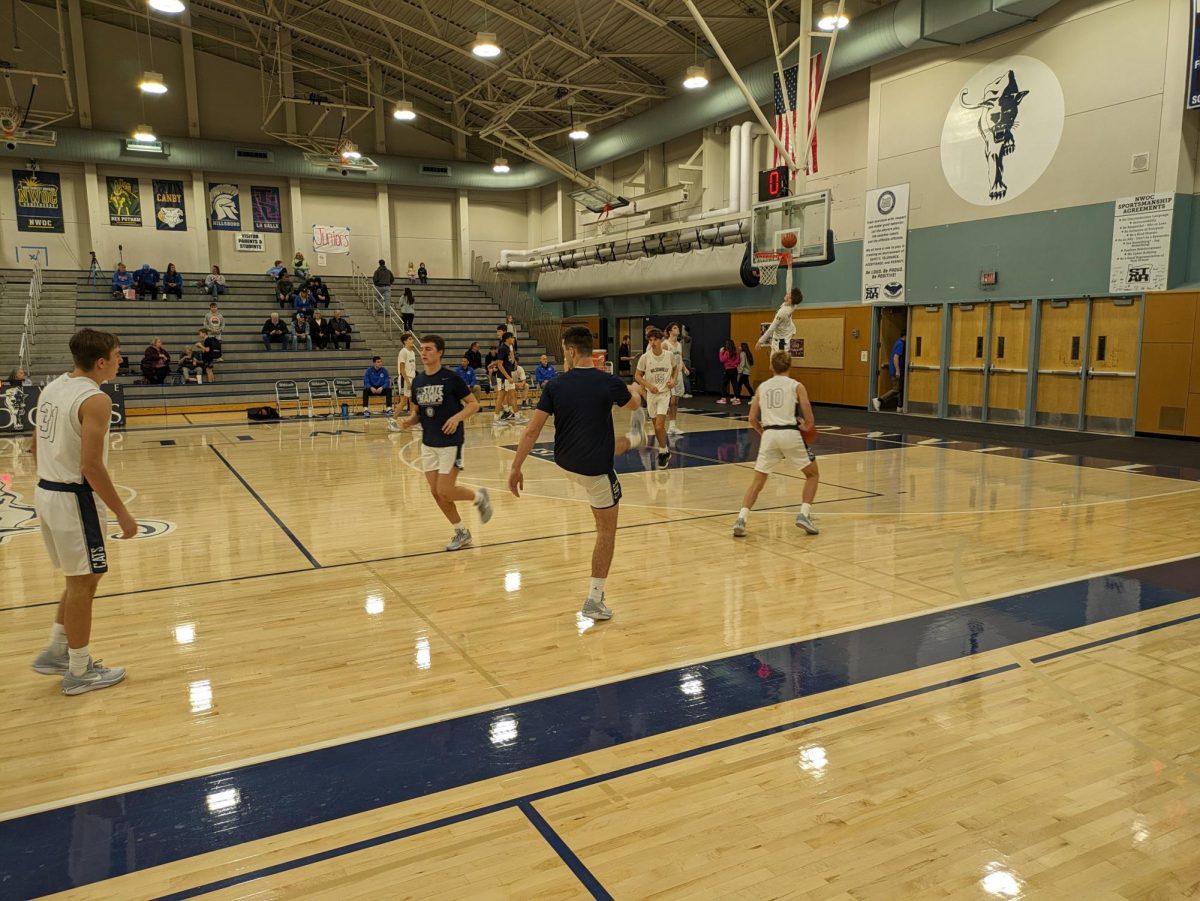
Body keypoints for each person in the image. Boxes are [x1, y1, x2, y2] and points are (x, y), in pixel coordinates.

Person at [508, 325, 645, 622]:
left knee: (610, 443)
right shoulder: (609, 382)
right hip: (595, 471)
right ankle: (594, 600)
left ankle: (631, 441)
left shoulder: (554, 385)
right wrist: (633, 389)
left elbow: (532, 431)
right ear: (590, 352)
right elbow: (635, 404)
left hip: (566, 462)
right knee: (606, 532)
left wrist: (516, 467)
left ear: (570, 351)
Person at [29, 328, 136, 695]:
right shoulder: (96, 400)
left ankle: (58, 651)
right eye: (118, 355)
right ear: (101, 362)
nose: (122, 361)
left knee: (83, 579)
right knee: (82, 583)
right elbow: (90, 465)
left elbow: (34, 448)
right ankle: (78, 671)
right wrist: (121, 512)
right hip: (73, 499)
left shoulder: (54, 386)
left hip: (47, 491)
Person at [396, 334, 493, 551]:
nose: (424, 353)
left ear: (440, 352)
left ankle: (479, 497)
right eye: (422, 349)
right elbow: (418, 412)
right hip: (428, 443)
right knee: (435, 492)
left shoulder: (451, 378)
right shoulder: (419, 381)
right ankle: (461, 531)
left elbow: (473, 404)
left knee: (445, 491)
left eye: (429, 349)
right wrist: (409, 421)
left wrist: (456, 417)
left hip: (451, 442)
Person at [733, 350, 820, 538]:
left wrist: (765, 433)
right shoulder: (797, 386)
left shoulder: (762, 387)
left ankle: (741, 519)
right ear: (790, 366)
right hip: (790, 432)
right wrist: (807, 426)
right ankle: (804, 515)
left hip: (770, 435)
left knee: (758, 481)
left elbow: (752, 418)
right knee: (812, 474)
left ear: (771, 366)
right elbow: (807, 412)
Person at [634, 327, 677, 467]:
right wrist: (648, 385)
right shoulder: (645, 358)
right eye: (650, 340)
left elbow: (676, 367)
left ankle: (663, 451)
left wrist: (673, 380)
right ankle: (664, 451)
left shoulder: (669, 355)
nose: (653, 342)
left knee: (659, 427)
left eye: (655, 339)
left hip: (664, 394)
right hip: (651, 395)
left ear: (661, 340)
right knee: (656, 427)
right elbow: (637, 376)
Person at [873, 328, 907, 412]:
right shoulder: (900, 344)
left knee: (900, 388)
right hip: (896, 370)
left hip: (896, 369)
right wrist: (898, 370)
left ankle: (900, 406)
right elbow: (896, 358)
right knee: (896, 389)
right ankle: (879, 400)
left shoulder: (899, 343)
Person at [663, 323, 687, 436]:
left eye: (677, 328)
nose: (677, 329)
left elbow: (679, 358)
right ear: (669, 332)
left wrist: (685, 368)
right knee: (671, 401)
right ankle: (665, 424)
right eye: (675, 328)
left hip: (679, 375)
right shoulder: (665, 344)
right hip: (670, 376)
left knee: (676, 402)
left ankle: (673, 425)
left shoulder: (679, 344)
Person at [494, 332, 523, 424]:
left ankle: (517, 416)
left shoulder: (509, 348)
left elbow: (513, 361)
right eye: (512, 338)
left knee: (513, 395)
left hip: (509, 376)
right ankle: (496, 417)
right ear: (507, 339)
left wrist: (512, 349)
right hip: (503, 377)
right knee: (501, 397)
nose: (514, 339)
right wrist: (507, 377)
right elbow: (499, 364)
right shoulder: (502, 349)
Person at [757, 288, 800, 352]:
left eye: (789, 295)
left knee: (779, 359)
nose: (787, 294)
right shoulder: (793, 305)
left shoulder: (783, 312)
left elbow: (771, 328)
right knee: (773, 360)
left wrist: (760, 341)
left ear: (791, 300)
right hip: (784, 333)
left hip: (781, 341)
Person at [395, 332, 417, 417]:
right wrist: (407, 381)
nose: (412, 340)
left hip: (412, 378)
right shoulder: (403, 352)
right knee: (403, 401)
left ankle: (411, 421)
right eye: (410, 339)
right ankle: (393, 420)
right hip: (405, 379)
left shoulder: (412, 352)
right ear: (405, 341)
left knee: (412, 401)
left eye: (412, 339)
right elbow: (402, 369)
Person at [718, 340, 739, 404]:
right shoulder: (736, 352)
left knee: (724, 384)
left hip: (728, 370)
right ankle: (737, 399)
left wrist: (720, 352)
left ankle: (723, 398)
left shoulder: (727, 352)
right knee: (735, 384)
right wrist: (733, 364)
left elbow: (722, 360)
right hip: (735, 370)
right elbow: (738, 361)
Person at [680, 324, 694, 397]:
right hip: (681, 361)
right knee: (681, 377)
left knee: (685, 377)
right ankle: (684, 391)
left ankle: (689, 392)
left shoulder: (688, 339)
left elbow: (684, 336)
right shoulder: (681, 341)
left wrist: (683, 329)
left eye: (683, 330)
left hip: (686, 360)